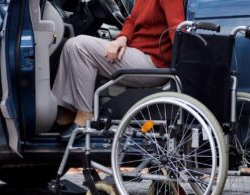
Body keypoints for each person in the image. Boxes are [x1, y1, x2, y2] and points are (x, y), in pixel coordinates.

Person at [52, 0, 185, 140]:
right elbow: (132, 20)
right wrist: (122, 38)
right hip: (135, 52)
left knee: (79, 45)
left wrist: (180, 69)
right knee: (69, 45)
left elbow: (177, 30)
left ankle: (85, 115)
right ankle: (69, 110)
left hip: (153, 62)